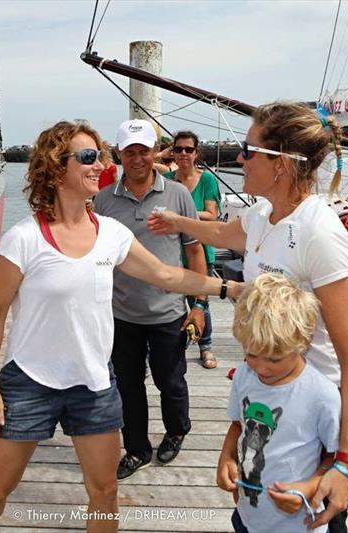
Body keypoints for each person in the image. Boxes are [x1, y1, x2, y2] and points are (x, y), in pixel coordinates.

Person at [0, 120, 241, 532]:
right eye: (87, 157)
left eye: (100, 155)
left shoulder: (110, 234)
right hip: (29, 382)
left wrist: (228, 289)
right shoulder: (24, 239)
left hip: (94, 385)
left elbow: (168, 276)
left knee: (104, 492)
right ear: (55, 167)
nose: (100, 164)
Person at [148, 101, 348, 532]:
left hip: (312, 414)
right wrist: (176, 221)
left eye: (248, 151)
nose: (238, 158)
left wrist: (345, 463)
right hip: (264, 397)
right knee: (251, 514)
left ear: (282, 164)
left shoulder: (320, 235)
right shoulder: (263, 215)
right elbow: (219, 233)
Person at [94, 118, 209, 481]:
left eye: (144, 150)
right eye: (130, 152)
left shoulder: (178, 195)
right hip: (121, 314)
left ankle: (176, 431)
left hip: (169, 312)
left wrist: (199, 305)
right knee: (127, 386)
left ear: (154, 151)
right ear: (119, 155)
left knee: (170, 382)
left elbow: (194, 252)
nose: (138, 158)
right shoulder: (102, 201)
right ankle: (137, 448)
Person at [218, 273, 340, 533]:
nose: (262, 367)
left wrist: (308, 488)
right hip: (247, 517)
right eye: (251, 354)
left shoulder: (322, 394)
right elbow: (238, 425)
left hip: (298, 525)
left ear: (303, 342)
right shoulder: (243, 374)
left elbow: (334, 457)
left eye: (274, 358)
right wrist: (226, 457)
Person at [164, 130, 222, 369]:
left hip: (200, 250)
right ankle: (174, 347)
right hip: (172, 252)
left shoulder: (207, 179)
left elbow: (212, 214)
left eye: (189, 149)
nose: (184, 154)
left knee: (200, 302)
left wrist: (182, 216)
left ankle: (205, 346)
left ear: (196, 153)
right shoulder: (167, 178)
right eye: (178, 149)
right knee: (173, 305)